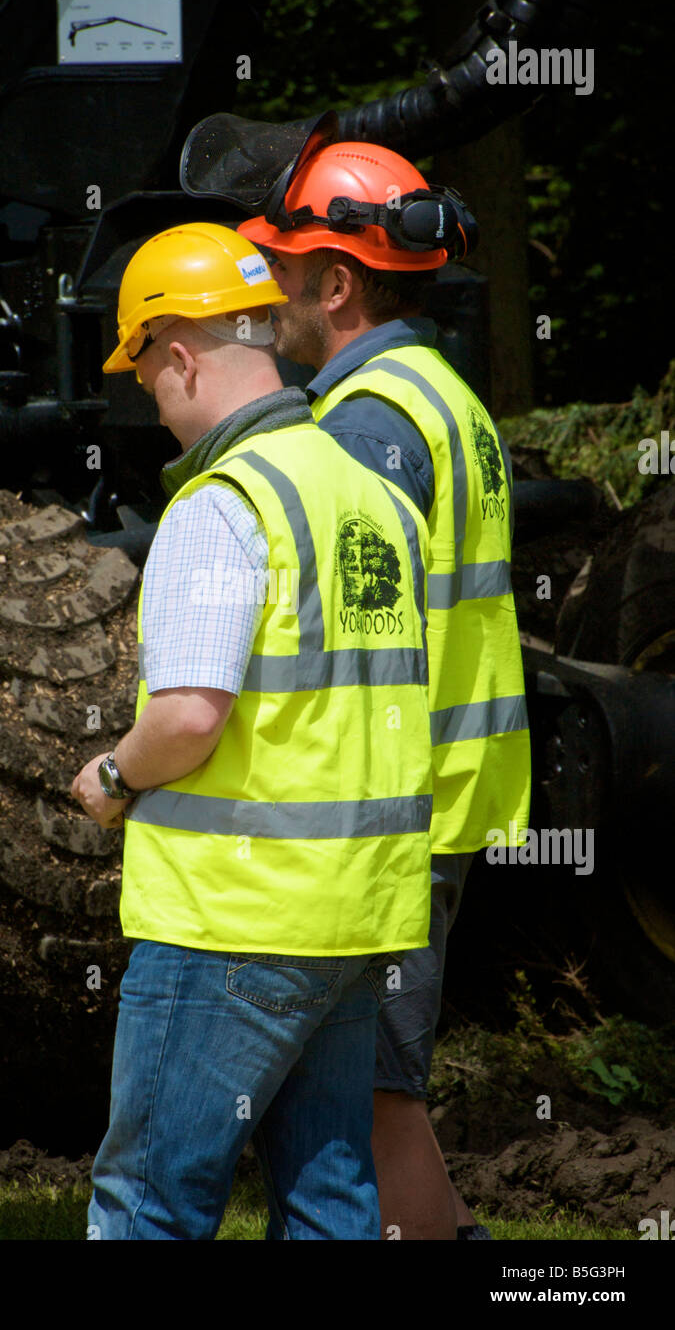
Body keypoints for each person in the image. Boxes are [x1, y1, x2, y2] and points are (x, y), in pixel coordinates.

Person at [71, 221, 434, 1240]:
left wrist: (110, 772)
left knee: (149, 1202)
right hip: (355, 915)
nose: (149, 399)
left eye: (143, 374)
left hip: (230, 918)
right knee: (329, 1200)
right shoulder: (371, 497)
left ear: (177, 352)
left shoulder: (221, 504)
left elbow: (189, 713)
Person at [238, 141, 532, 1240]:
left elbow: (355, 635)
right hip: (444, 793)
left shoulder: (366, 423)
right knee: (375, 1094)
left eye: (282, 270)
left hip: (393, 815)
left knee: (373, 1102)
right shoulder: (440, 394)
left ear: (338, 284)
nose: (266, 295)